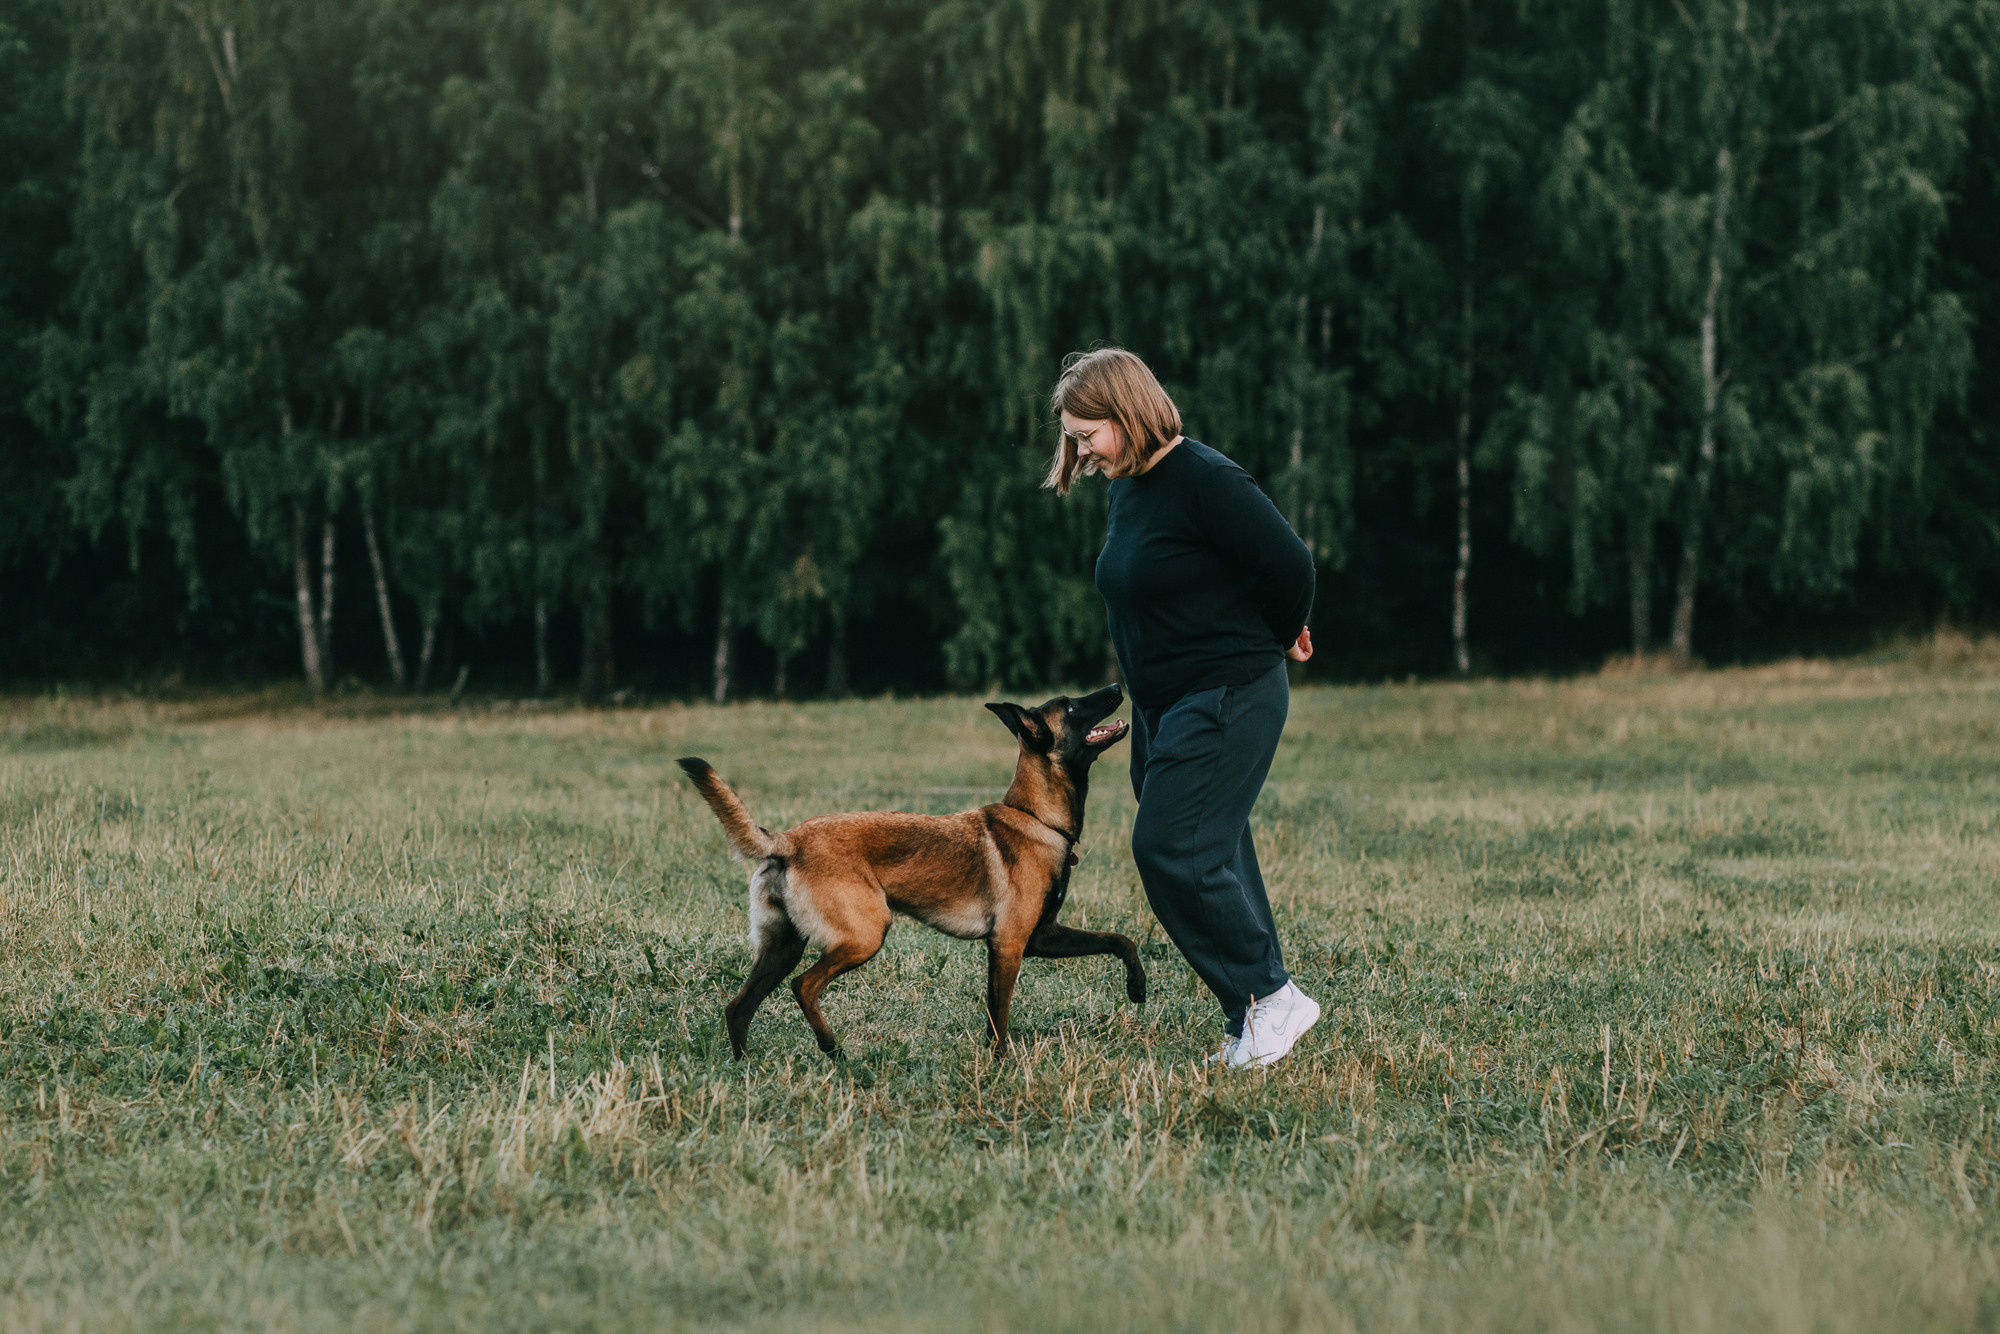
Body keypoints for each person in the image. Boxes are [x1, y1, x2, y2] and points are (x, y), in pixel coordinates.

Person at [1047, 346, 1320, 1070]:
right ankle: (1252, 1016)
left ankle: (1272, 997)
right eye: (1073, 438)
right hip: (1166, 705)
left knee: (1172, 848)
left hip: (1228, 693)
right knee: (1213, 847)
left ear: (1126, 411)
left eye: (1086, 434)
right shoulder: (1128, 488)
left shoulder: (1205, 478)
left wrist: (1280, 632)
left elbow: (1289, 563)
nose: (1080, 451)